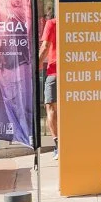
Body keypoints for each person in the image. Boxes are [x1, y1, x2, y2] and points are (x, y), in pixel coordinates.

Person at [39, 11, 58, 147]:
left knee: (51, 106)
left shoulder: (52, 23)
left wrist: (35, 66)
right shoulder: (79, 21)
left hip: (55, 72)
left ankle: (57, 144)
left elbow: (45, 47)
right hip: (75, 74)